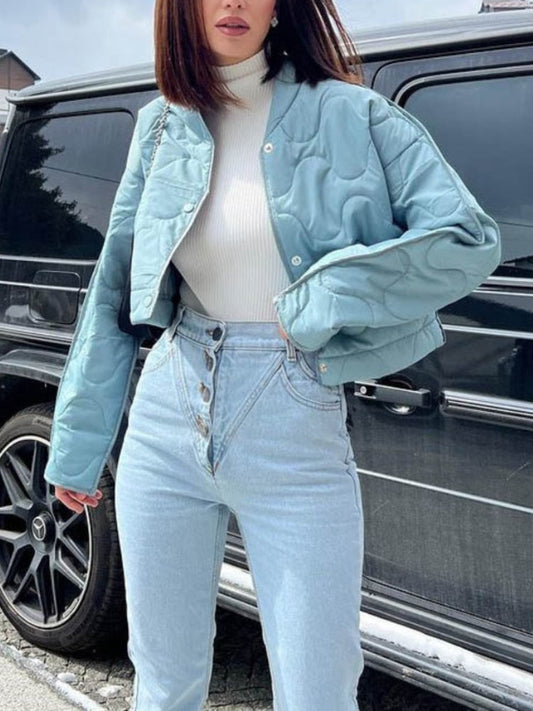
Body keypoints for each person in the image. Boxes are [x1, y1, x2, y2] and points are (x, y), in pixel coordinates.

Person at [43, 0, 501, 709]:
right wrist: (77, 444)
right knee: (162, 681)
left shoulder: (354, 114)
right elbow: (115, 286)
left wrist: (319, 301)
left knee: (317, 687)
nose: (232, 3)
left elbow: (466, 238)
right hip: (167, 410)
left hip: (292, 415)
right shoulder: (160, 126)